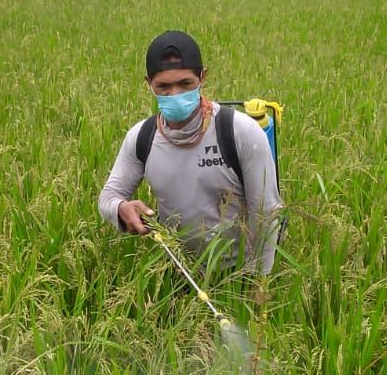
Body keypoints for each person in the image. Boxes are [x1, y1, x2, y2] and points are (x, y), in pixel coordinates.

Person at [98, 30, 283, 275]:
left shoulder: (240, 132)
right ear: (148, 83)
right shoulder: (142, 137)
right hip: (177, 271)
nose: (175, 95)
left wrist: (259, 284)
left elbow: (266, 212)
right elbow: (109, 195)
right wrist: (121, 208)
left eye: (185, 84)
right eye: (163, 86)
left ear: (202, 77)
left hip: (237, 274)